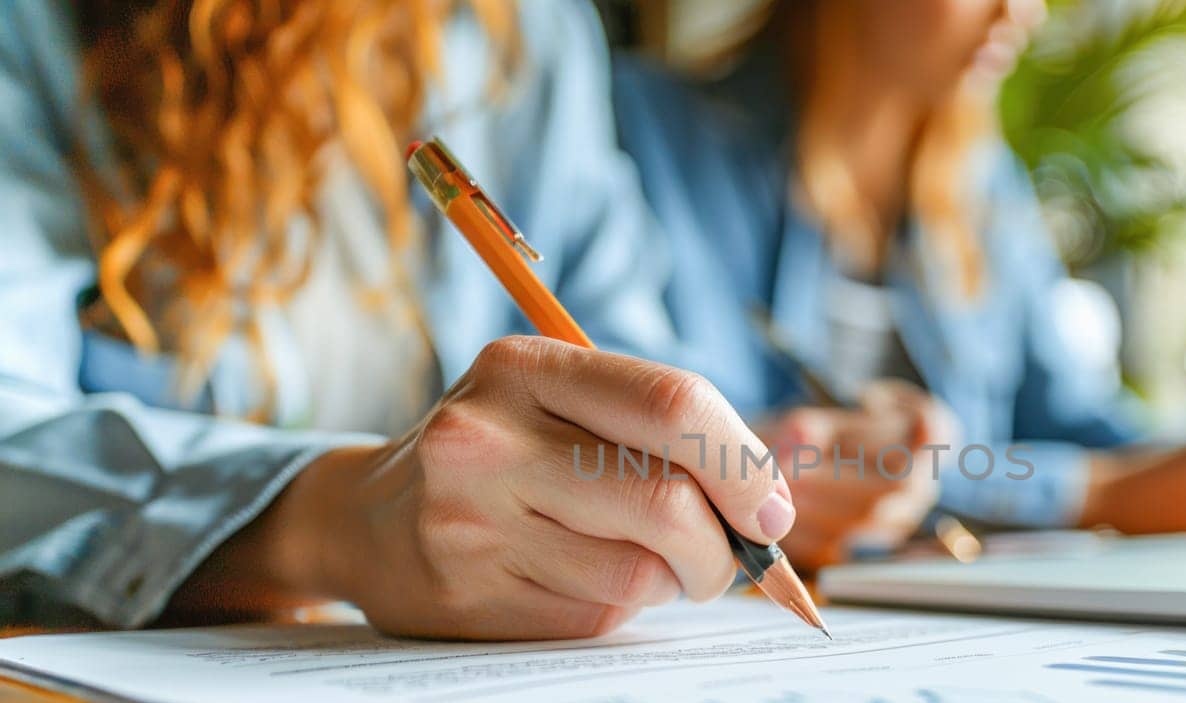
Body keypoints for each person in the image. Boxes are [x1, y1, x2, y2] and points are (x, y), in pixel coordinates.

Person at [0, 0, 797, 639]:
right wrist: (333, 524)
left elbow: (621, 351)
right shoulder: (37, 30)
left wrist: (709, 458)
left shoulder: (527, 29)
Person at [609, 0, 1186, 567]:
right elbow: (682, 456)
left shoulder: (982, 188)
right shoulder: (638, 135)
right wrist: (1098, 495)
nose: (1020, 13)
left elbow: (1082, 427)